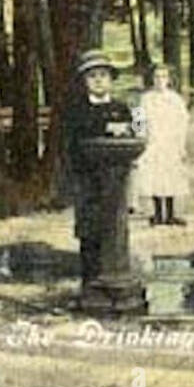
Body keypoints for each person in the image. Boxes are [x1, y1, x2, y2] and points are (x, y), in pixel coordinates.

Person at [65, 51, 134, 260]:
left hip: (115, 180)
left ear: (111, 80)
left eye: (103, 75)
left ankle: (116, 274)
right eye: (92, 76)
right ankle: (91, 282)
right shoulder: (77, 110)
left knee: (115, 228)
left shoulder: (121, 109)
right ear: (85, 81)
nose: (98, 81)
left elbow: (133, 136)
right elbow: (73, 143)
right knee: (89, 230)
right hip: (87, 179)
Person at [130, 64, 191, 226]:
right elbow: (138, 121)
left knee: (171, 176)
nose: (160, 80)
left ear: (169, 79)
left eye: (163, 77)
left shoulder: (175, 99)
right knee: (155, 177)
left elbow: (183, 122)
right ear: (152, 79)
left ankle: (170, 214)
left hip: (170, 143)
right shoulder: (145, 99)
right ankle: (157, 214)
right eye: (157, 77)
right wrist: (140, 139)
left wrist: (181, 145)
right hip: (153, 142)